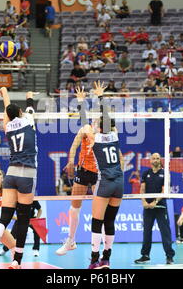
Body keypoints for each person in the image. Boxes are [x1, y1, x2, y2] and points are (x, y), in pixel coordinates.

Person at [0, 88, 37, 270]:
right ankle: (17, 261)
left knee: (5, 215)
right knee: (23, 219)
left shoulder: (7, 127)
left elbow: (8, 110)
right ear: (21, 113)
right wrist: (29, 97)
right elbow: (29, 108)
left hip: (12, 172)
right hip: (27, 173)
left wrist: (5, 93)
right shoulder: (28, 121)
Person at [56, 85, 100, 256]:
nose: (95, 121)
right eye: (94, 119)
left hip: (98, 174)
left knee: (99, 209)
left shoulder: (105, 134)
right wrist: (70, 161)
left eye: (98, 118)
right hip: (82, 172)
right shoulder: (85, 129)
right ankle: (70, 240)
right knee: (74, 208)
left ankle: (98, 244)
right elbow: (73, 147)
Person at [86, 81, 124, 269]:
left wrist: (81, 102)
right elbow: (107, 118)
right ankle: (106, 258)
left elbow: (86, 124)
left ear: (99, 127)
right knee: (110, 221)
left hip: (106, 182)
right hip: (119, 183)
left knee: (97, 221)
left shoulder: (94, 138)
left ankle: (94, 259)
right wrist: (101, 98)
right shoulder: (116, 136)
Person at [134, 153, 175, 265]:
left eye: (157, 158)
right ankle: (145, 255)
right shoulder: (146, 173)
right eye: (153, 158)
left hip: (160, 206)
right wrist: (143, 201)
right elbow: (142, 189)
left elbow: (164, 190)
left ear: (159, 160)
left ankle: (169, 256)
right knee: (146, 232)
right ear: (150, 160)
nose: (155, 160)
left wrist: (155, 202)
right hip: (148, 208)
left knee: (165, 232)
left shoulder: (165, 173)